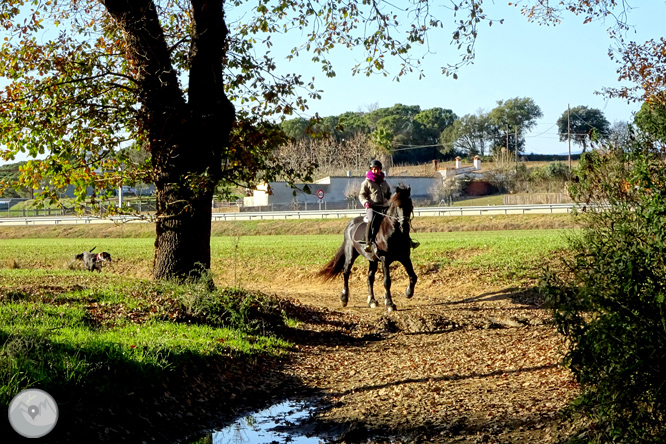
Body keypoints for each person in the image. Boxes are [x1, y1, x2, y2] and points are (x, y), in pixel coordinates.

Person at [359, 159, 391, 253]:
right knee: (371, 220)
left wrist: (390, 199)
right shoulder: (366, 182)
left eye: (377, 169)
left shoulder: (384, 182)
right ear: (371, 170)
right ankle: (368, 242)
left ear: (380, 169)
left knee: (397, 218)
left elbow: (388, 193)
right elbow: (361, 195)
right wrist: (365, 202)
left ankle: (407, 241)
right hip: (372, 207)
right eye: (374, 169)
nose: (376, 171)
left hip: (384, 206)